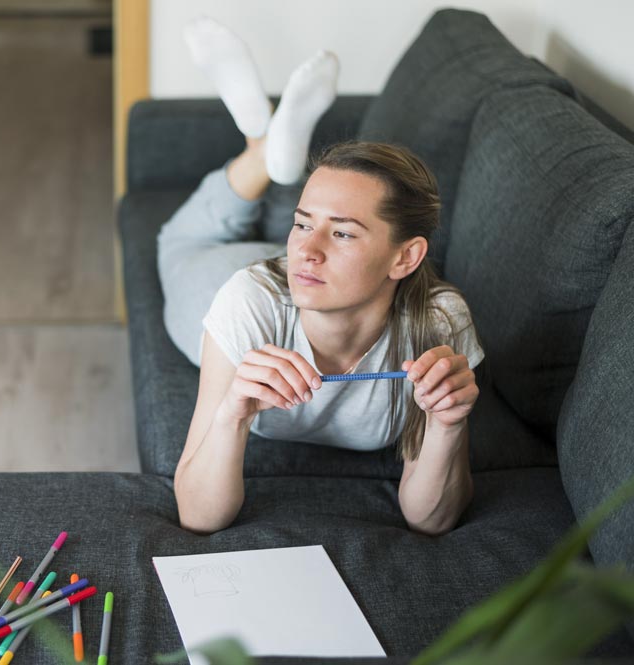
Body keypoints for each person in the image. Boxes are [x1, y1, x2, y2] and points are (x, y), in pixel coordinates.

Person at [160, 17, 485, 536]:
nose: (306, 251)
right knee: (180, 242)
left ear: (406, 257)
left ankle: (269, 153)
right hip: (230, 277)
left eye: (344, 233)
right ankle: (262, 150)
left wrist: (449, 424)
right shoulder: (246, 301)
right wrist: (232, 414)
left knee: (273, 233)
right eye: (303, 223)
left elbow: (431, 520)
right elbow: (197, 516)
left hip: (304, 283)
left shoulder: (437, 325)